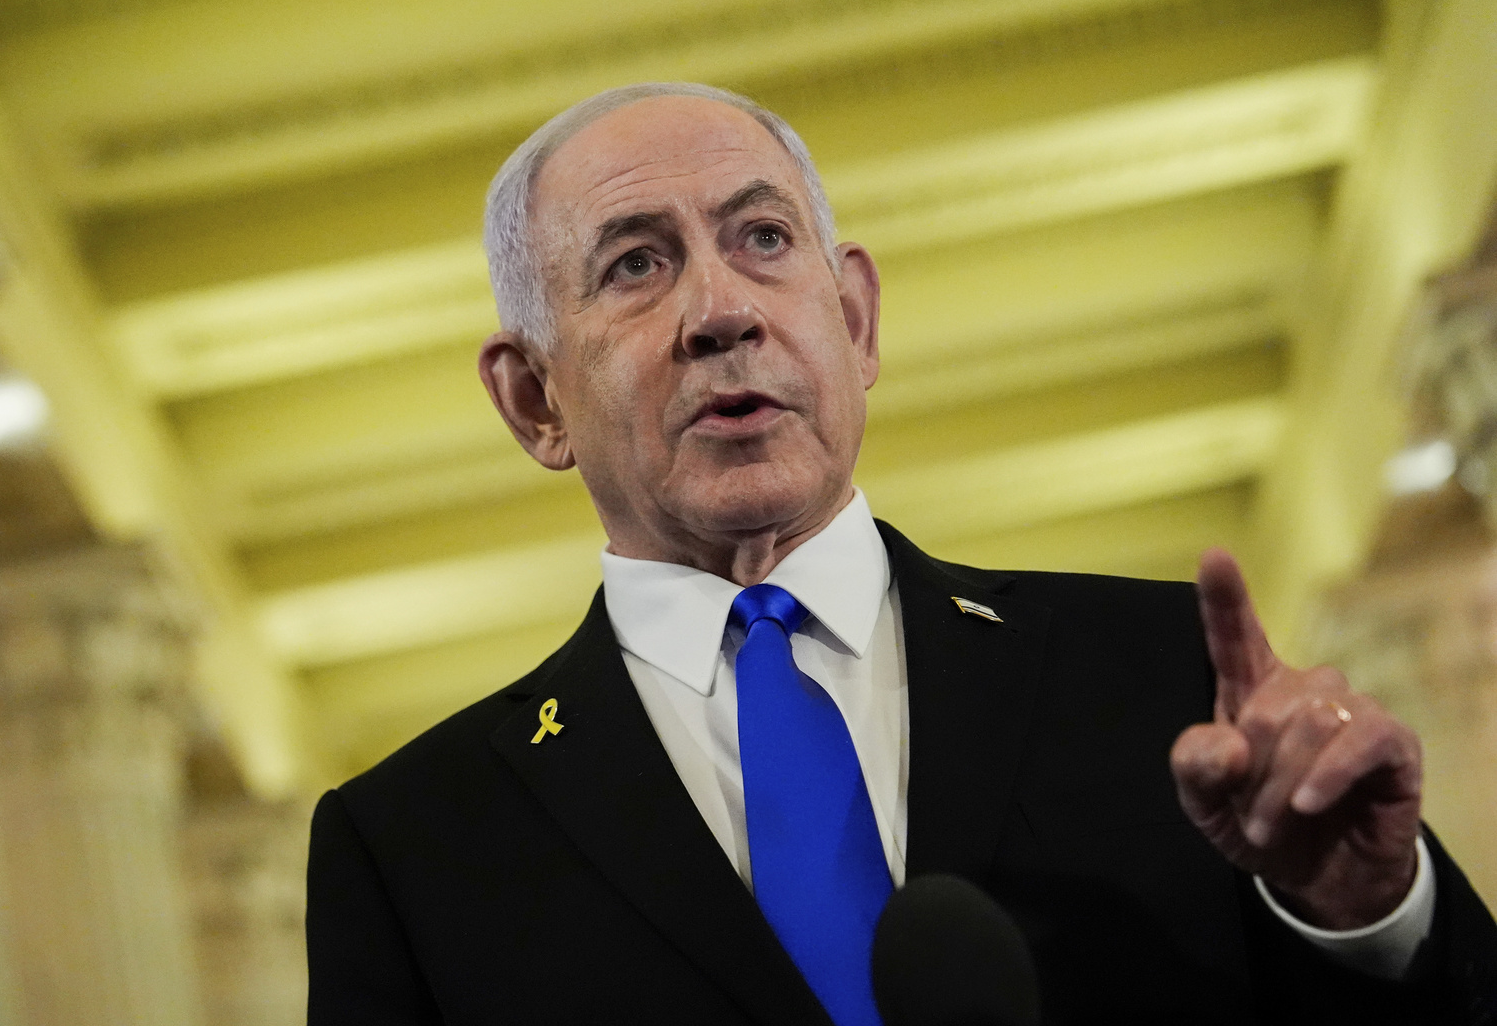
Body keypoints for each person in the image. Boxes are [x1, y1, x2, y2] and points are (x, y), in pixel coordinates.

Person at [306, 83, 1496, 1025]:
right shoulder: (415, 846)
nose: (722, 310)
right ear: (533, 402)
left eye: (763, 237)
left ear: (857, 319)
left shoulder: (1159, 677)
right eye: (635, 263)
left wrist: (1365, 916)